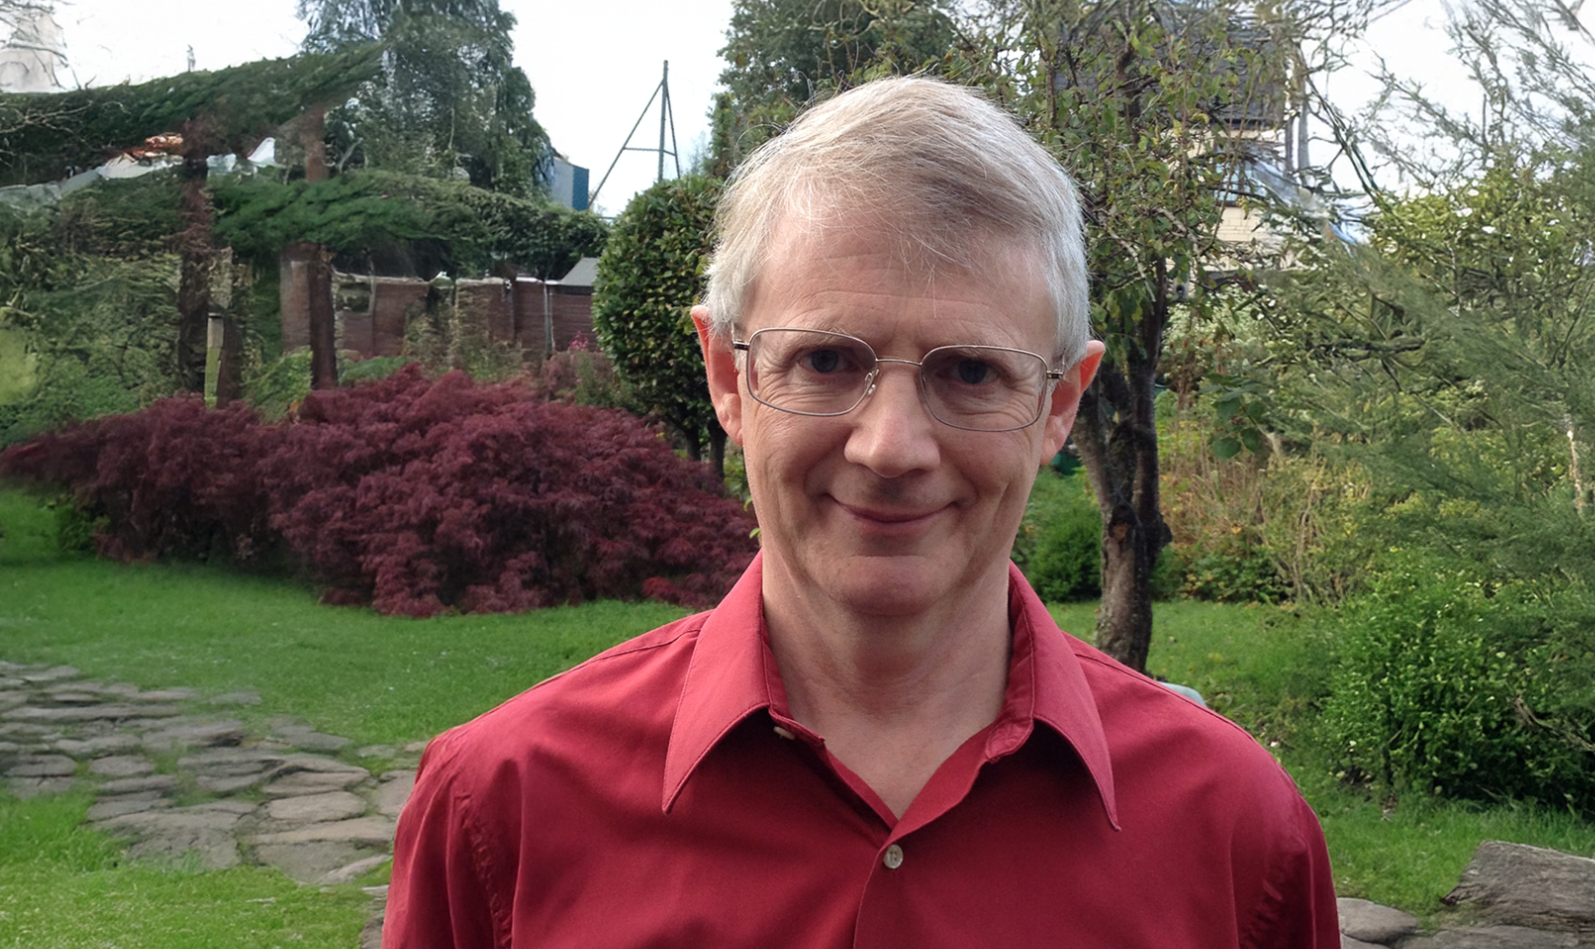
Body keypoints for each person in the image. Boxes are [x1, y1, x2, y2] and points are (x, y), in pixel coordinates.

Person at [384, 75, 1337, 948]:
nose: (890, 447)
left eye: (972, 372)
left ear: (1059, 403)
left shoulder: (1237, 838)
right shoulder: (501, 813)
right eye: (827, 359)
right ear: (729, 375)